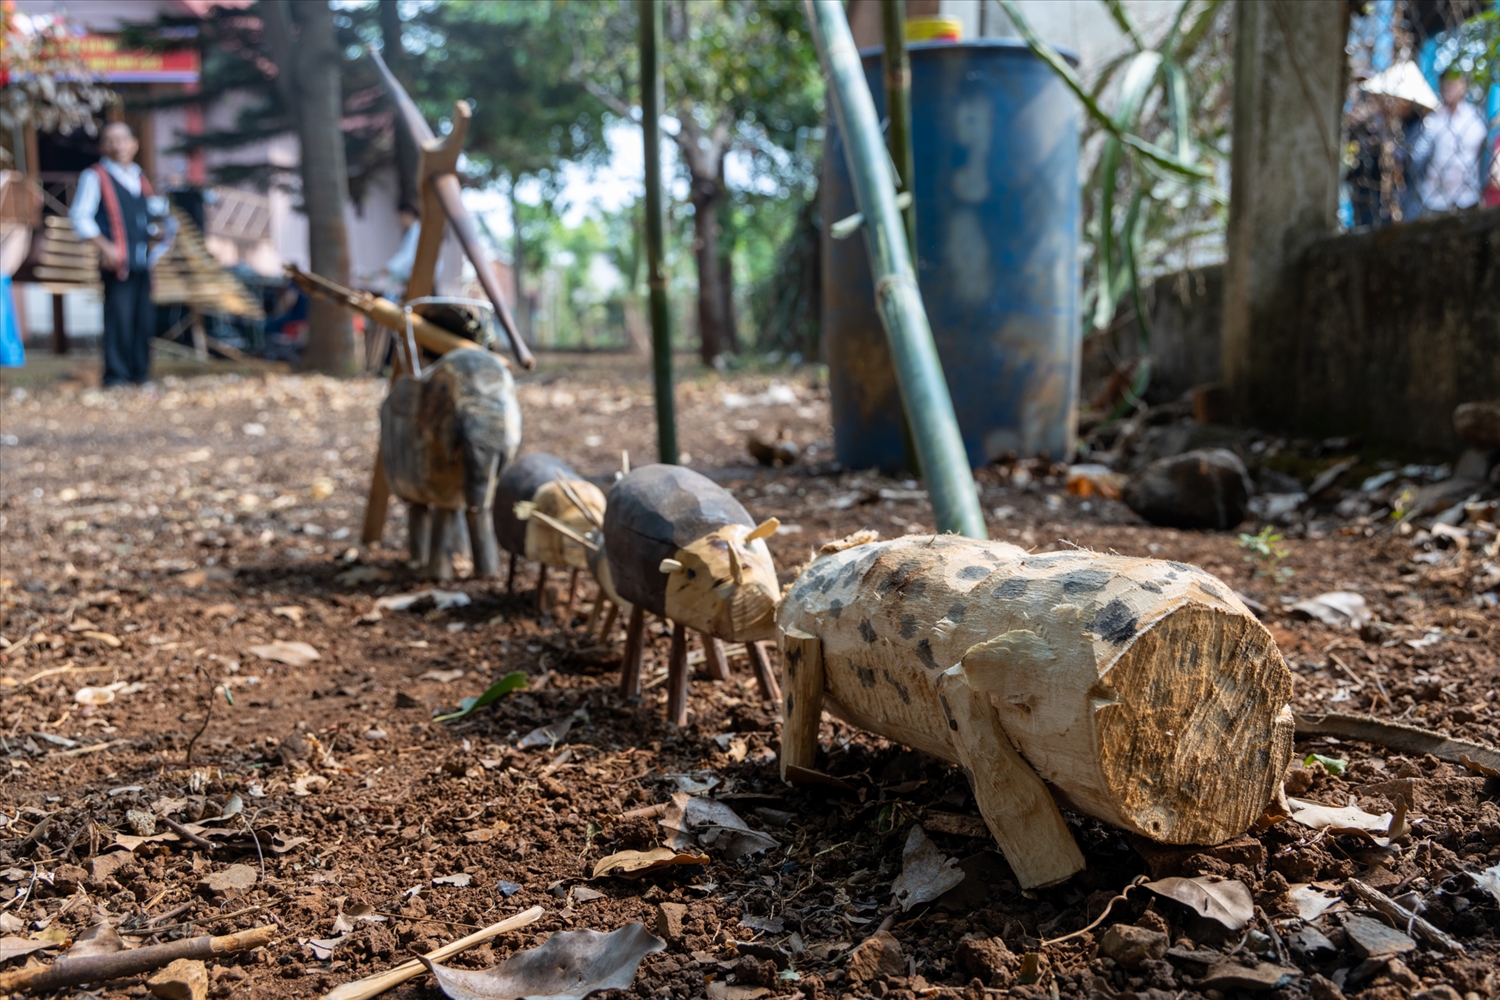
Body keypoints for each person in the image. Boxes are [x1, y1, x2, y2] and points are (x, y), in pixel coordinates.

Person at [69, 121, 174, 386]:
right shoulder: (95, 176)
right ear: (103, 146)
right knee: (119, 319)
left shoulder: (140, 178)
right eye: (111, 140)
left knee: (143, 319)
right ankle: (116, 376)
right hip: (116, 262)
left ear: (134, 144)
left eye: (122, 139)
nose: (118, 145)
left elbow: (144, 217)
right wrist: (105, 247)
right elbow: (81, 217)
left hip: (142, 261)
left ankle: (141, 374)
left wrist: (156, 233)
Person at [1411, 70, 1488, 213]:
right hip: (1435, 199)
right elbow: (1417, 156)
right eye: (1445, 82)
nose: (1448, 86)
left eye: (1454, 82)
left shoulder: (1476, 117)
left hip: (1467, 198)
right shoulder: (1433, 119)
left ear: (1464, 85)